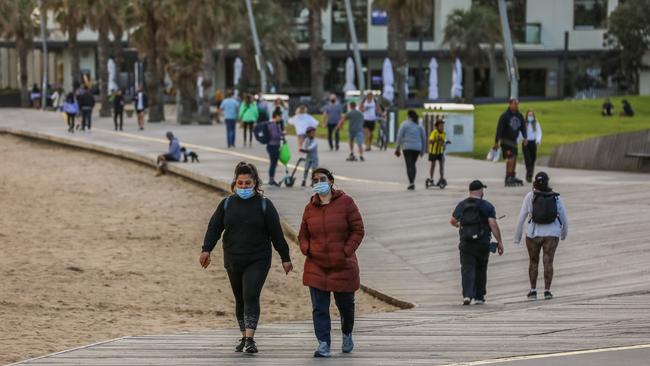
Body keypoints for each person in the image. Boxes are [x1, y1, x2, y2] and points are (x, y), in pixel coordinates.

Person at [200, 162, 293, 354]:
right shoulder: (226, 204)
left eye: (247, 183)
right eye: (240, 183)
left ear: (255, 183)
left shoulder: (265, 205)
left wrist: (285, 257)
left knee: (251, 294)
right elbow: (214, 228)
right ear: (235, 183)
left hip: (258, 259)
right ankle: (244, 336)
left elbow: (277, 233)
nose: (243, 187)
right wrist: (206, 249)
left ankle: (250, 339)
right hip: (233, 258)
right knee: (240, 298)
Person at [298, 167, 364, 357]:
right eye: (315, 180)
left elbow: (358, 230)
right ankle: (323, 344)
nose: (319, 183)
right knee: (319, 308)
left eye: (322, 179)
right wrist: (307, 249)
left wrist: (347, 250)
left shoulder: (346, 202)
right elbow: (303, 234)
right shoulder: (309, 208)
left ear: (331, 181)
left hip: (342, 264)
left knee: (346, 306)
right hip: (316, 265)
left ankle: (347, 333)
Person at [514, 172, 568, 300]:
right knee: (548, 261)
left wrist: (517, 237)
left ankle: (533, 291)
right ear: (548, 182)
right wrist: (563, 234)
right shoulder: (556, 198)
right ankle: (547, 291)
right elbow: (564, 218)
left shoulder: (530, 196)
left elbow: (521, 217)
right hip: (552, 233)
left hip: (533, 233)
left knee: (533, 261)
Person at [450, 180, 504, 305]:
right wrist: (499, 242)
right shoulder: (487, 206)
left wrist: (461, 225)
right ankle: (479, 296)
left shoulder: (462, 205)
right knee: (481, 267)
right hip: (482, 242)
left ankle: (467, 295)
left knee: (467, 268)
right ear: (480, 191)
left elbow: (452, 220)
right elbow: (493, 224)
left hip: (466, 242)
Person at [495, 98, 527, 186]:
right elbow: (499, 129)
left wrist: (525, 137)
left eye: (517, 104)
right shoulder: (505, 116)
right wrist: (497, 141)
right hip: (505, 141)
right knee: (510, 158)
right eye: (514, 104)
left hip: (514, 141)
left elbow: (523, 127)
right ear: (510, 104)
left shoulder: (519, 116)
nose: (516, 105)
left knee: (515, 158)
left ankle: (512, 175)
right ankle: (508, 177)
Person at [394, 110, 427, 190]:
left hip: (407, 147)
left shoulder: (404, 124)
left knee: (409, 165)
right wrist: (423, 150)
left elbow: (399, 136)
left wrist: (397, 147)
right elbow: (423, 137)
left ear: (408, 116)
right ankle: (412, 182)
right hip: (417, 148)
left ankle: (411, 182)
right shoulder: (419, 125)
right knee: (413, 164)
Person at [522, 110, 542, 183]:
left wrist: (537, 140)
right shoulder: (524, 123)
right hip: (526, 143)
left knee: (533, 159)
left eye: (532, 115)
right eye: (529, 115)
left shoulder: (536, 123)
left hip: (533, 143)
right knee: (528, 160)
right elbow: (520, 132)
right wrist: (523, 139)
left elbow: (539, 132)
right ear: (527, 116)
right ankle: (528, 175)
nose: (530, 117)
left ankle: (530, 175)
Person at [266, 110, 285, 186]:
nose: (281, 118)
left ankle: (271, 179)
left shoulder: (273, 124)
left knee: (273, 163)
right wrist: (282, 133)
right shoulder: (273, 125)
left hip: (272, 145)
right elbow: (275, 136)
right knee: (273, 163)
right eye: (280, 116)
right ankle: (271, 180)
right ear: (276, 116)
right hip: (273, 146)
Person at [427, 118, 447, 188]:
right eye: (440, 126)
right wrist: (436, 139)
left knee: (441, 166)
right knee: (433, 165)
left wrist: (443, 141)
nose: (442, 127)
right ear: (437, 126)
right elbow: (430, 141)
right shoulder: (434, 132)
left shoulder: (444, 133)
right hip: (433, 152)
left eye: (443, 126)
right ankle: (431, 178)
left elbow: (443, 143)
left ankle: (441, 178)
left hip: (440, 152)